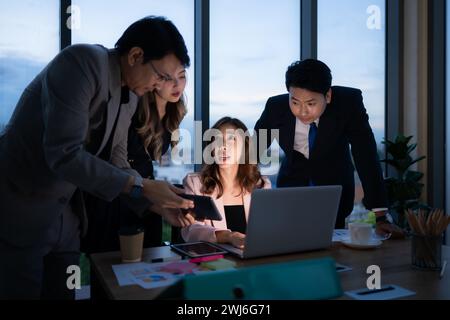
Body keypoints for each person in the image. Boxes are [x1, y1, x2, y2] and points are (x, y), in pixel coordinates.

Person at [0, 16, 195, 300]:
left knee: (63, 293)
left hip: (65, 216)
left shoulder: (130, 95)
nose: (160, 85)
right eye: (161, 76)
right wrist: (142, 188)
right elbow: (64, 154)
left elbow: (118, 160)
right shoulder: (81, 63)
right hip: (22, 206)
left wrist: (155, 204)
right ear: (135, 55)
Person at [254, 59, 403, 237]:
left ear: (328, 96)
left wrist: (380, 216)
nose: (302, 112)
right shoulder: (275, 107)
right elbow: (253, 150)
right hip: (291, 188)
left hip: (335, 190)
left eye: (311, 104)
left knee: (332, 247)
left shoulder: (348, 104)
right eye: (295, 102)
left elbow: (366, 155)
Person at [83, 52, 190, 253]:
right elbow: (114, 157)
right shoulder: (133, 104)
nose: (177, 84)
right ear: (157, 78)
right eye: (168, 77)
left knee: (149, 266)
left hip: (146, 196)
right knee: (111, 264)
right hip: (120, 194)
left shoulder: (173, 114)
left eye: (182, 76)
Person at [182, 117, 271, 249]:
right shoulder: (195, 183)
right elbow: (190, 230)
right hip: (214, 262)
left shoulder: (261, 184)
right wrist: (229, 236)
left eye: (231, 140)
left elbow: (269, 227)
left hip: (254, 259)